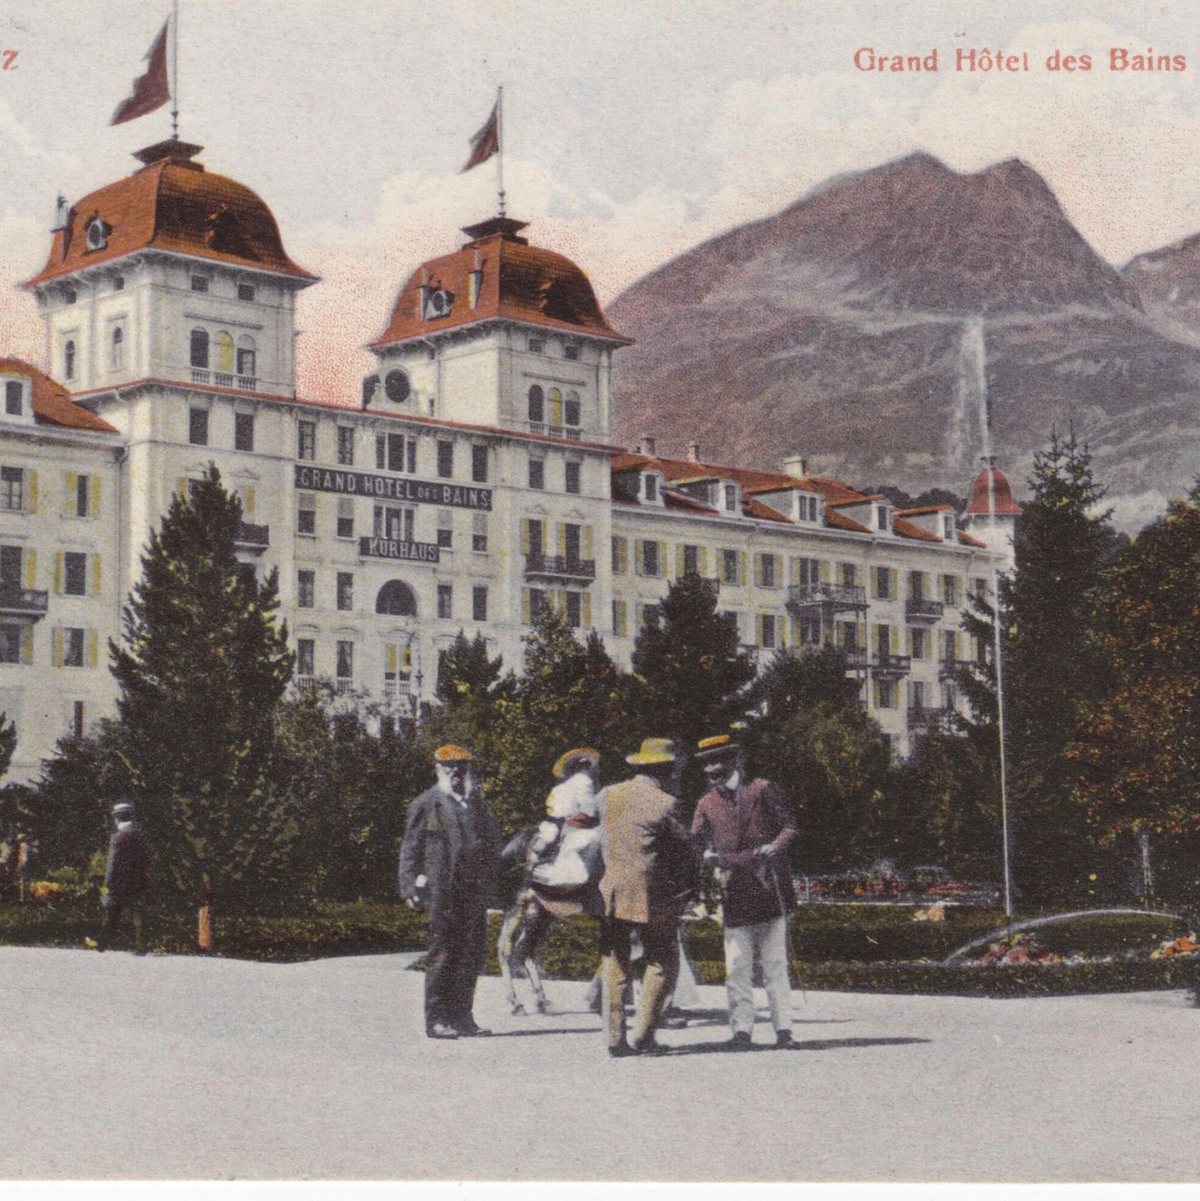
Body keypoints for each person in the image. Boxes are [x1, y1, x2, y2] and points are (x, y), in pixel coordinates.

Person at [691, 733, 798, 1049]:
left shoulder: (762, 789)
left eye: (717, 762)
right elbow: (695, 843)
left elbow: (790, 827)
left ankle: (784, 1031)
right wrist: (704, 859)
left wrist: (774, 848)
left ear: (732, 761)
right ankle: (741, 1031)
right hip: (734, 890)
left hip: (769, 886)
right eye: (706, 764)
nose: (711, 770)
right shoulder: (706, 803)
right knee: (736, 964)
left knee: (775, 963)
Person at [597, 737, 695, 1058]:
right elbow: (685, 851)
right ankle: (644, 1037)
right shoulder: (665, 803)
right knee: (663, 962)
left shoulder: (607, 795)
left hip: (611, 892)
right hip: (652, 896)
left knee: (615, 964)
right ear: (665, 769)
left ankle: (614, 1039)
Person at [398, 744, 502, 1040]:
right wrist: (409, 887)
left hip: (474, 891)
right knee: (443, 954)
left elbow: (492, 843)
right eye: (450, 770)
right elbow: (410, 848)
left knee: (472, 955)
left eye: (462, 770)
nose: (457, 775)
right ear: (439, 771)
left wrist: (492, 881)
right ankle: (436, 1020)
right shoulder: (427, 803)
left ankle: (463, 1017)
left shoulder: (478, 805)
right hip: (444, 891)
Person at [98, 801, 154, 954]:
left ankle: (102, 945)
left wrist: (107, 883)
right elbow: (148, 859)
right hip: (138, 881)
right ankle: (141, 947)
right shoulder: (141, 835)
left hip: (119, 883)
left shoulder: (118, 837)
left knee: (112, 914)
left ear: (117, 818)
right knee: (138, 915)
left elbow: (112, 863)